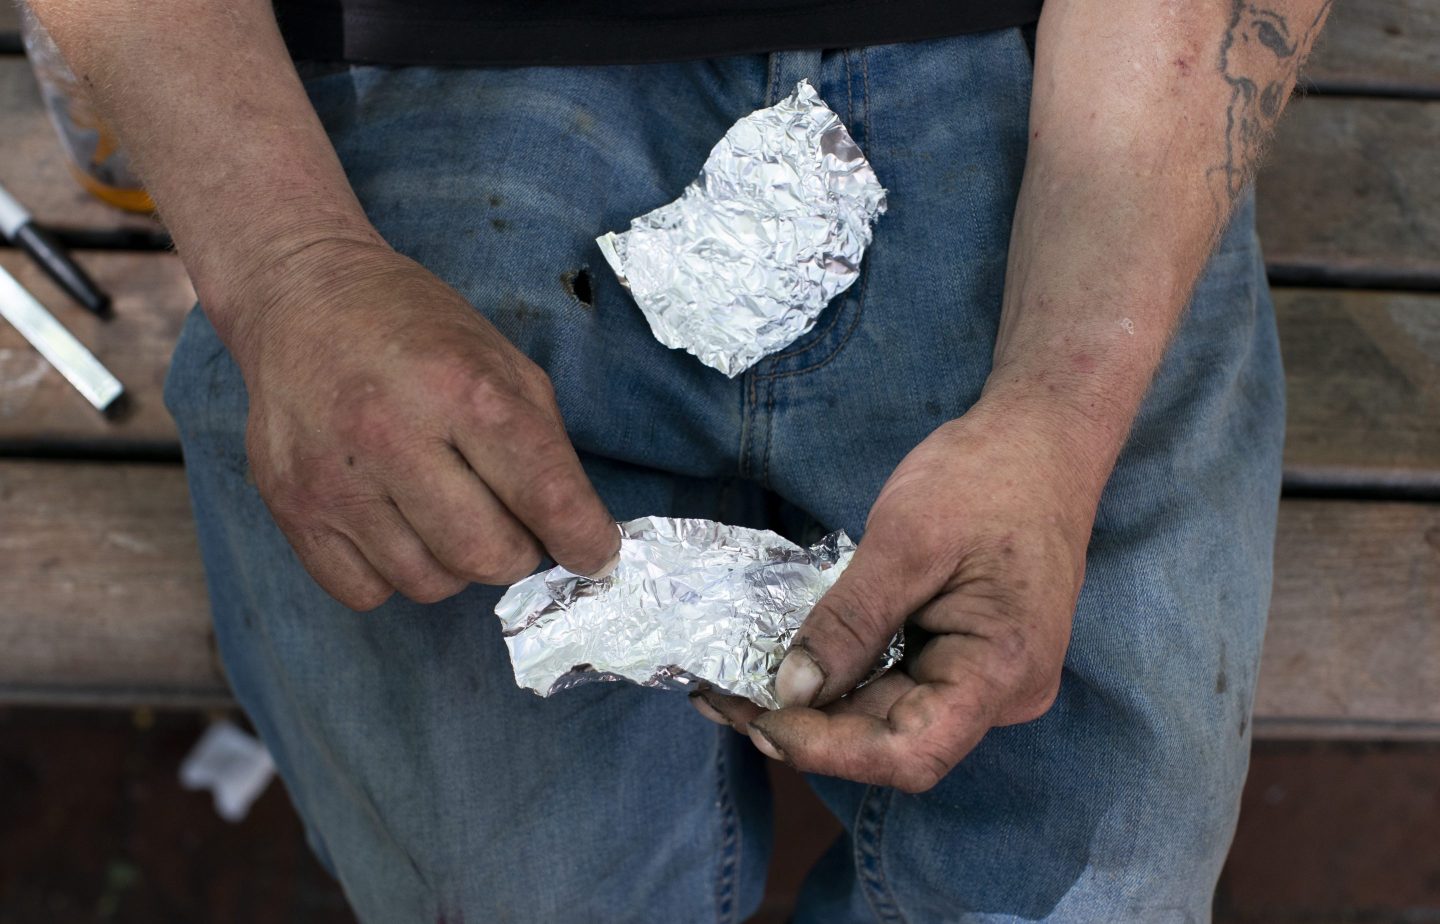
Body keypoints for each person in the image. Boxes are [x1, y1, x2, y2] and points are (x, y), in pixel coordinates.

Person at [33, 0, 1331, 919]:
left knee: (1088, 898)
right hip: (414, 80)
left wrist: (1058, 408)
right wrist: (287, 266)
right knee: (518, 893)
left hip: (1052, 76)